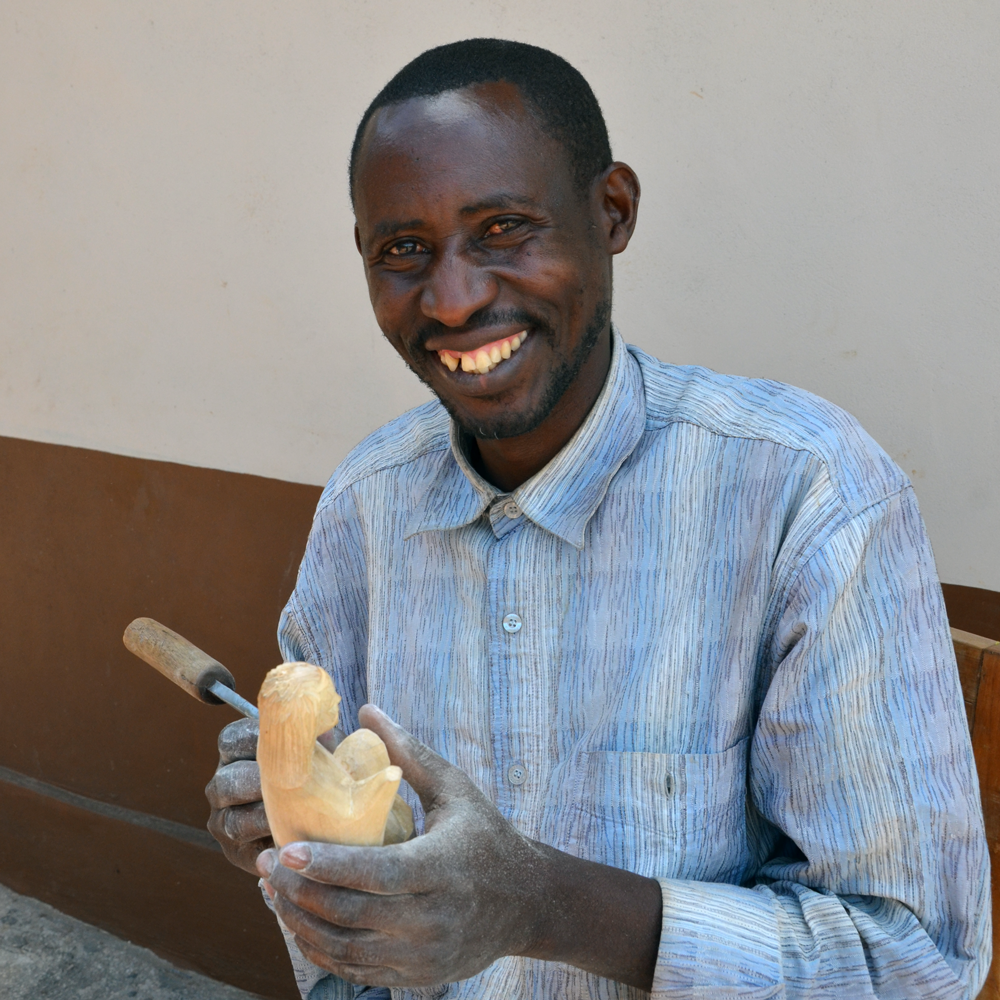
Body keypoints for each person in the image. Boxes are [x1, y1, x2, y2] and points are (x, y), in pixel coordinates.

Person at [205, 38, 991, 999]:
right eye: (403, 250)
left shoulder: (807, 496)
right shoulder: (366, 508)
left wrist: (540, 905)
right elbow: (340, 923)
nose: (453, 299)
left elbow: (915, 961)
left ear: (611, 212)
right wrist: (294, 843)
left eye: (503, 229)